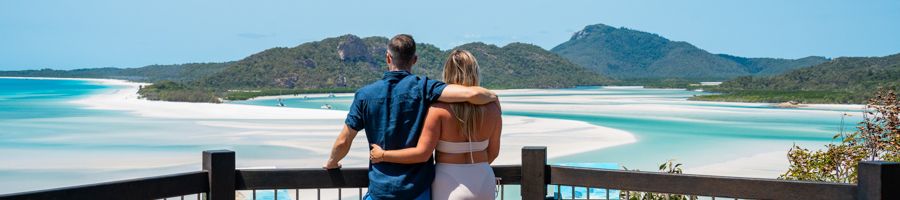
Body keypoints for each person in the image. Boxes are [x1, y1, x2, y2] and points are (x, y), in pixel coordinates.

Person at [323, 35, 498, 200]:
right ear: (414, 59)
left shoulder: (364, 95)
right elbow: (469, 93)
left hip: (381, 190)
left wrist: (332, 162)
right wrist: (493, 98)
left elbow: (343, 141)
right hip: (418, 190)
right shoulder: (425, 88)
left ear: (387, 58)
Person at [370, 50, 502, 200]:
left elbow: (422, 154)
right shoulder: (493, 108)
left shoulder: (438, 109)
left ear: (447, 73)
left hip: (449, 183)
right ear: (475, 72)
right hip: (483, 180)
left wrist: (383, 155)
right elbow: (493, 152)